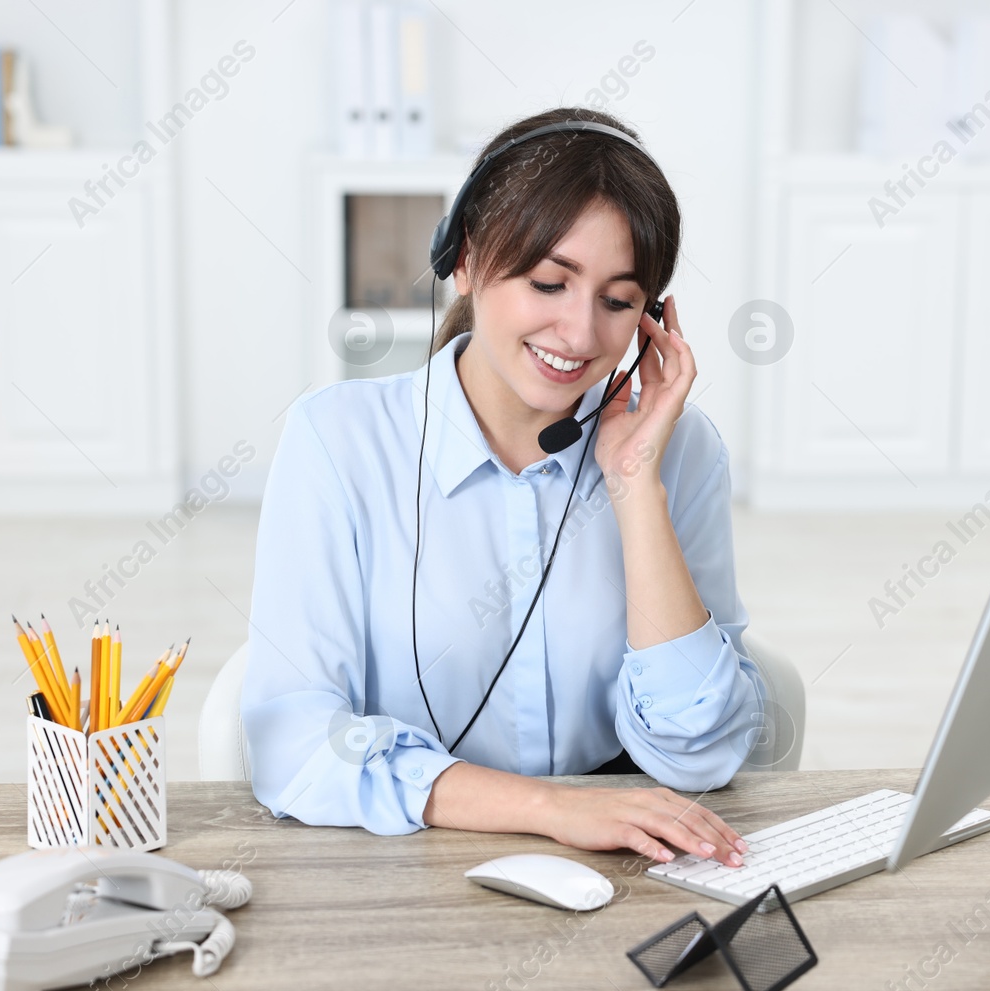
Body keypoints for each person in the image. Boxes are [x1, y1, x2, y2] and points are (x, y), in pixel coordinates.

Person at [242, 107, 764, 868]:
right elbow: (294, 741)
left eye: (618, 301)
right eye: (549, 282)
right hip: (408, 873)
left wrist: (633, 486)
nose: (580, 334)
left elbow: (703, 753)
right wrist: (550, 809)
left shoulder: (677, 451)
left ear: (651, 317)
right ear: (464, 259)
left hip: (624, 877)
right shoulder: (338, 442)